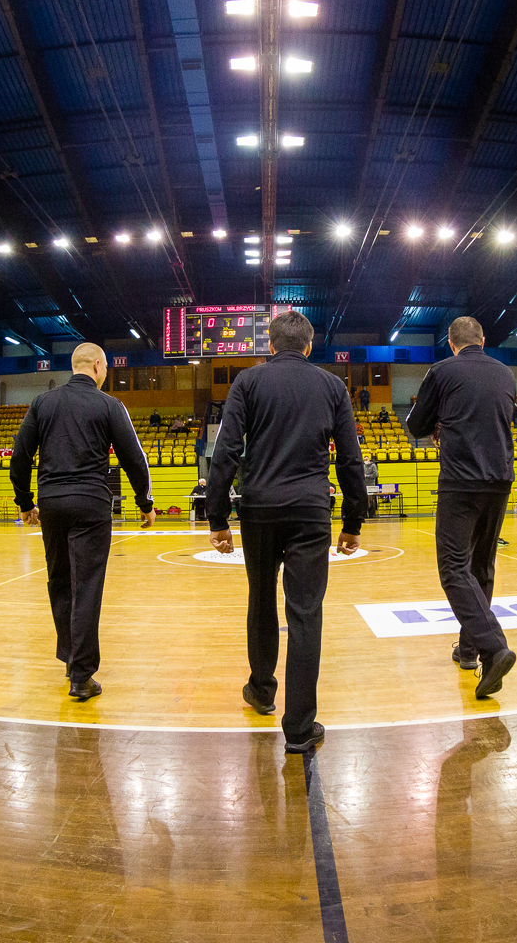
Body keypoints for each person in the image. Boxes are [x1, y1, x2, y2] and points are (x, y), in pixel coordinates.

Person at [208, 310, 365, 752]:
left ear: (271, 345)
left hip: (259, 510)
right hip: (311, 512)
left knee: (261, 599)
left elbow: (226, 451)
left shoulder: (248, 382)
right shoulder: (332, 387)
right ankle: (298, 726)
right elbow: (350, 459)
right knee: (305, 613)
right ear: (310, 346)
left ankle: (261, 690)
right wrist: (353, 521)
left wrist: (218, 517)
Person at [12, 343, 154, 701]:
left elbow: (20, 456)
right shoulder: (109, 405)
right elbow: (134, 458)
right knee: (87, 586)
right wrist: (145, 503)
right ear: (97, 366)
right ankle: (81, 675)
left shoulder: (42, 403)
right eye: (106, 369)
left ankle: (70, 658)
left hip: (51, 503)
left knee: (60, 582)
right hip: (91, 503)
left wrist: (25, 503)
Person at [405, 315, 517, 699]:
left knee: (453, 567)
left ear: (451, 344)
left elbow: (416, 425)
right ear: (482, 340)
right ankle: (470, 651)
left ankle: (494, 647)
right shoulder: (506, 373)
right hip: (500, 479)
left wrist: (438, 421)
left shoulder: (442, 370)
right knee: (481, 567)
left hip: (461, 480)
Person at [362, 453, 379, 518]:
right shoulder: (363, 466)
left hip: (372, 485)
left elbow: (375, 475)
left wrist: (367, 476)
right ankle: (366, 514)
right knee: (366, 500)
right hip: (365, 485)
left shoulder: (373, 466)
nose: (365, 461)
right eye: (364, 460)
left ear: (369, 459)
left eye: (366, 459)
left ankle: (372, 514)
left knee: (372, 500)